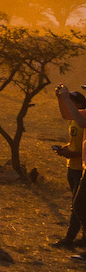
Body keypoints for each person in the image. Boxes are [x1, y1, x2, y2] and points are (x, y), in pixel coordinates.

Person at [53, 85, 86, 249]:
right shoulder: (80, 115)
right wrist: (61, 98)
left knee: (78, 205)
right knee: (79, 204)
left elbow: (80, 122)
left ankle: (71, 240)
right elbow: (68, 115)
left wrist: (66, 99)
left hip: (82, 167)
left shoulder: (83, 117)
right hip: (78, 166)